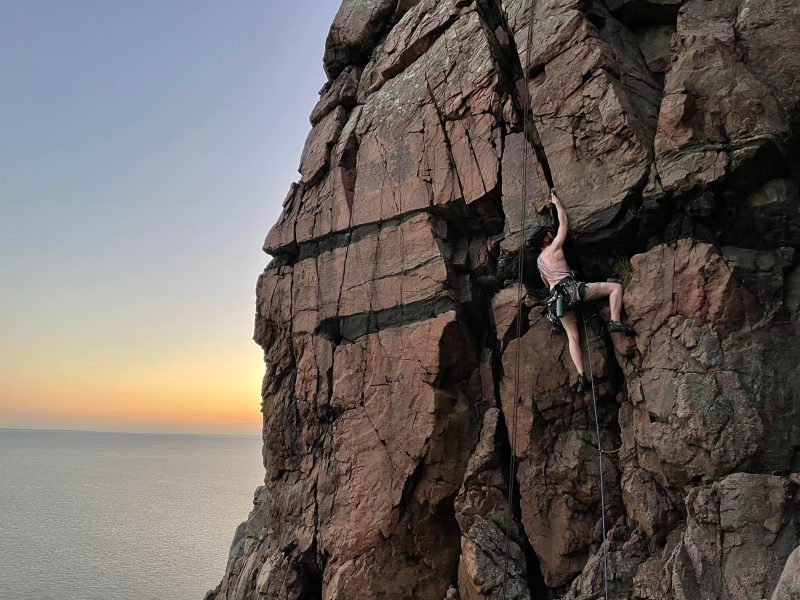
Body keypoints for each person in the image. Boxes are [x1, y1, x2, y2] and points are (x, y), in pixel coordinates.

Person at [537, 189, 636, 393]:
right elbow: (564, 224)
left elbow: (547, 284)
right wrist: (556, 203)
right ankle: (615, 321)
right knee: (615, 287)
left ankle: (581, 375)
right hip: (572, 290)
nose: (553, 235)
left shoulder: (539, 263)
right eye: (551, 235)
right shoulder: (555, 247)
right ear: (548, 240)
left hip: (558, 302)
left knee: (573, 337)